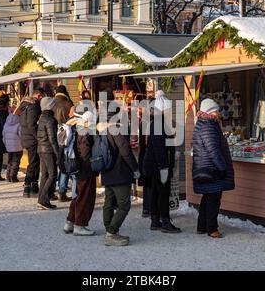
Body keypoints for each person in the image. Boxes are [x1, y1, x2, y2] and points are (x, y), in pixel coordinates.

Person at [99, 91, 140, 247]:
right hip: (119, 171)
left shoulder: (101, 128)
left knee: (109, 201)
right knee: (124, 204)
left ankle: (109, 228)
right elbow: (125, 150)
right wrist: (135, 168)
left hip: (107, 170)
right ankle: (111, 232)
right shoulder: (115, 128)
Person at [193, 99, 235, 238]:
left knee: (208, 196)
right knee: (214, 198)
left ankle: (202, 225)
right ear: (211, 111)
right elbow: (213, 150)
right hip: (211, 169)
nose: (219, 113)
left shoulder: (204, 123)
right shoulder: (208, 125)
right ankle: (212, 229)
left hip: (207, 167)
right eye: (216, 110)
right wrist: (222, 167)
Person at [143, 91, 179, 233]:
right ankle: (165, 221)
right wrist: (164, 167)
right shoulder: (159, 124)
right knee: (163, 193)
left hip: (154, 164)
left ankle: (155, 220)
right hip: (158, 165)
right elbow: (159, 149)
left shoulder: (159, 123)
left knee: (156, 192)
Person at [63, 111, 97, 236]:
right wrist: (92, 165)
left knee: (78, 195)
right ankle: (80, 224)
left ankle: (70, 221)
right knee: (85, 196)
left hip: (77, 166)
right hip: (85, 168)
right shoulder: (85, 131)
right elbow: (85, 152)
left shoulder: (75, 126)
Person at [19, 88, 46, 197]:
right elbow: (31, 124)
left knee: (34, 161)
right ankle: (27, 185)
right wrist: (38, 136)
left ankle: (34, 186)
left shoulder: (25, 106)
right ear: (39, 96)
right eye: (42, 97)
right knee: (33, 163)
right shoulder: (34, 106)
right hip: (32, 139)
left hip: (26, 137)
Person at [36, 97, 59, 210]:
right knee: (52, 174)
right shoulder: (50, 120)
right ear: (50, 106)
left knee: (45, 175)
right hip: (48, 150)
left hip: (41, 149)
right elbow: (53, 139)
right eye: (54, 104)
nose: (55, 106)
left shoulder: (42, 118)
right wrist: (58, 154)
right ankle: (43, 199)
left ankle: (43, 199)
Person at [54, 85, 74, 201]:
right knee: (68, 163)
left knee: (60, 165)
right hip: (67, 135)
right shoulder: (67, 103)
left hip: (54, 136)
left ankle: (60, 190)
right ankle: (63, 191)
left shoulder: (51, 103)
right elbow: (73, 116)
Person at [2, 109, 23, 183]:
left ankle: (8, 176)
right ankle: (13, 176)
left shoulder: (6, 123)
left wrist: (6, 144)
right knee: (16, 162)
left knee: (10, 161)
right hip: (18, 146)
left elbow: (3, 135)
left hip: (9, 146)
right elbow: (21, 135)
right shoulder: (19, 123)